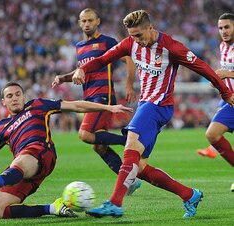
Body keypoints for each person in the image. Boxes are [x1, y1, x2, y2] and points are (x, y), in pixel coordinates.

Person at [70, 10, 234, 218]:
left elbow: (203, 68)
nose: (136, 40)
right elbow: (103, 59)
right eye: (132, 35)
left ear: (150, 28)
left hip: (158, 105)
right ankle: (189, 194)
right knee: (138, 166)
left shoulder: (171, 47)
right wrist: (84, 69)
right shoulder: (130, 43)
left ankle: (114, 203)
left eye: (139, 35)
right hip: (146, 104)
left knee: (130, 145)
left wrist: (225, 92)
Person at [0, 81, 134, 219]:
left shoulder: (37, 106)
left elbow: (75, 106)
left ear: (23, 96)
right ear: (3, 101)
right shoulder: (1, 127)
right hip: (22, 170)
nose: (15, 98)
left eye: (18, 94)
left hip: (41, 153)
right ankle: (53, 208)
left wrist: (108, 108)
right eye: (10, 96)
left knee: (24, 155)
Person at [52, 8, 140, 195]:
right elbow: (81, 72)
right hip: (89, 96)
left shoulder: (107, 42)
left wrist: (129, 84)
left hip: (104, 95)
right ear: (79, 23)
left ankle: (128, 141)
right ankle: (130, 180)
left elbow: (129, 59)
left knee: (84, 134)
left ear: (97, 21)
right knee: (98, 145)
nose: (87, 24)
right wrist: (63, 77)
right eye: (83, 21)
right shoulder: (79, 47)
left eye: (90, 20)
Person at [197, 13, 234, 192]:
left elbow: (228, 72)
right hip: (231, 101)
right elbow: (225, 72)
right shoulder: (223, 47)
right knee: (212, 135)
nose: (223, 31)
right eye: (220, 28)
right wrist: (218, 81)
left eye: (227, 27)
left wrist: (228, 74)